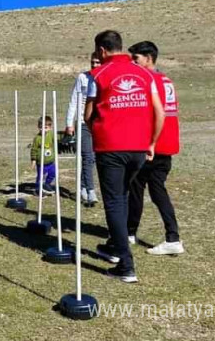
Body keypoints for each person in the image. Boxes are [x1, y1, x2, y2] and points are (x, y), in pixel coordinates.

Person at [84, 30, 164, 284]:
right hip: (139, 148)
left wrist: (97, 130)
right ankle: (114, 244)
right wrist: (151, 142)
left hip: (111, 148)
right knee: (124, 195)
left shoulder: (98, 74)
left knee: (114, 202)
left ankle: (125, 264)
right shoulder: (145, 74)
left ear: (102, 50)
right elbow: (158, 111)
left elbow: (88, 114)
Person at [126, 41, 184, 255]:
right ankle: (136, 232)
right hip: (166, 143)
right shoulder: (166, 79)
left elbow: (150, 114)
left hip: (154, 144)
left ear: (148, 58)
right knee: (148, 187)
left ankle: (169, 237)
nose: (133, 63)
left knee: (143, 188)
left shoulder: (147, 80)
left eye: (136, 59)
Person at [65, 52, 101, 207]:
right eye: (92, 62)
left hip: (99, 124)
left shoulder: (106, 77)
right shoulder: (83, 78)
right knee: (87, 156)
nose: (94, 65)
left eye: (98, 62)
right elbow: (74, 100)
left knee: (92, 158)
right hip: (82, 122)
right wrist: (69, 123)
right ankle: (91, 191)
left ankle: (82, 187)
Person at [30, 116, 56, 194]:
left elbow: (58, 138)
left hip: (51, 162)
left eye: (45, 127)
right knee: (40, 177)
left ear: (50, 127)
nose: (43, 130)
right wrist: (33, 160)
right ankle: (38, 189)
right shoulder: (37, 138)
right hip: (41, 163)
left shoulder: (51, 135)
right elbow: (33, 150)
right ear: (38, 127)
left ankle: (46, 185)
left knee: (53, 173)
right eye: (41, 127)